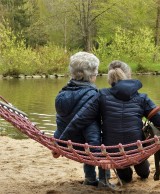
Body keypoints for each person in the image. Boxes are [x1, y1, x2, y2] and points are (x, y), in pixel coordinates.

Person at [60, 60, 160, 184]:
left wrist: (61, 142)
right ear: (129, 75)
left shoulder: (101, 95)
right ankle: (141, 167)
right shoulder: (142, 98)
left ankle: (128, 171)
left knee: (126, 177)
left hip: (113, 153)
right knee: (144, 173)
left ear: (110, 77)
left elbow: (80, 119)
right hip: (137, 150)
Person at [53, 51, 109, 187]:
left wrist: (57, 142)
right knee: (103, 141)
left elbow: (61, 121)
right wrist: (98, 156)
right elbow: (92, 130)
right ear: (92, 75)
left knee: (87, 144)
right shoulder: (93, 95)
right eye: (96, 72)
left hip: (68, 143)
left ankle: (90, 179)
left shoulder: (62, 94)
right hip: (86, 145)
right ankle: (104, 180)